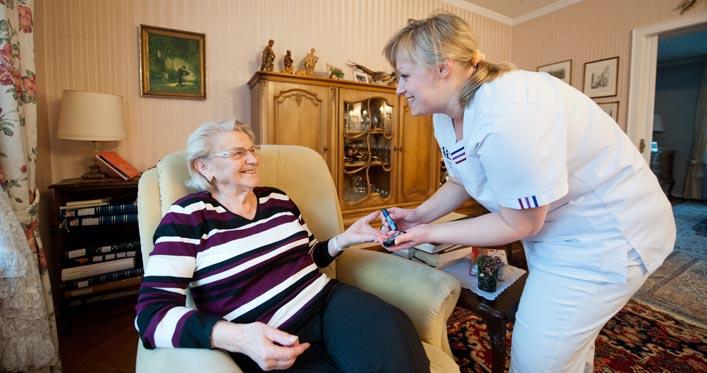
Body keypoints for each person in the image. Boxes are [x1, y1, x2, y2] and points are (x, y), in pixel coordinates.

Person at [380, 12, 675, 372]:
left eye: (404, 75)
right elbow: (461, 179)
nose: (398, 88)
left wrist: (429, 233)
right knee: (565, 349)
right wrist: (418, 216)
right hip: (552, 231)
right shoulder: (447, 113)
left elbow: (519, 223)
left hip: (603, 237)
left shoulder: (508, 114)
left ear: (443, 67)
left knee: (537, 360)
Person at [135, 118, 429, 372]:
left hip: (328, 303)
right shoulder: (186, 217)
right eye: (238, 153)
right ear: (204, 166)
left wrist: (344, 239)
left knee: (397, 352)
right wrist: (239, 338)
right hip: (268, 336)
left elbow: (309, 254)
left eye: (252, 150)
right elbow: (151, 315)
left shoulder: (278, 199)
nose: (252, 159)